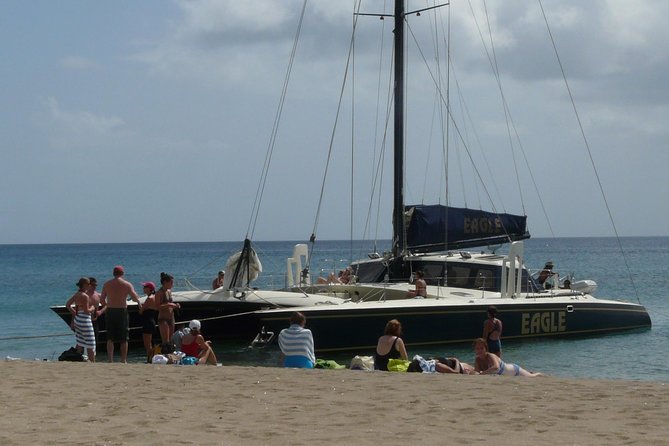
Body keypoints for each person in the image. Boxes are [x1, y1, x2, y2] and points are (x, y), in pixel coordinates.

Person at [99, 265, 141, 363]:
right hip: (122, 310)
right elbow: (135, 298)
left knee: (110, 337)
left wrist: (108, 305)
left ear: (113, 273)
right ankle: (123, 360)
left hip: (110, 310)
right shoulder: (127, 284)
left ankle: (110, 359)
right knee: (124, 337)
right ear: (122, 273)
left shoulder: (107, 284)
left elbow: (102, 300)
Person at [473, 338, 542, 377]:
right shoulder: (477, 359)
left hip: (514, 370)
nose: (480, 350)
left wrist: (483, 373)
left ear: (486, 349)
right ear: (475, 350)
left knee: (532, 377)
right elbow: (477, 371)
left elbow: (496, 367)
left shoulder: (490, 356)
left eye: (482, 348)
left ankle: (539, 374)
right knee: (528, 375)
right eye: (477, 349)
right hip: (508, 374)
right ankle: (529, 372)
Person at [65, 277, 96, 362]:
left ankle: (78, 359)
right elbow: (86, 311)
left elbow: (67, 305)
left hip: (78, 319)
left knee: (80, 341)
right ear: (85, 285)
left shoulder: (77, 294)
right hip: (84, 320)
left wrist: (75, 313)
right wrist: (92, 308)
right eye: (89, 284)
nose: (90, 286)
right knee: (91, 343)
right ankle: (93, 363)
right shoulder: (85, 296)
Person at [156, 272, 180, 344]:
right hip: (163, 319)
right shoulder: (159, 293)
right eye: (171, 282)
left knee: (170, 340)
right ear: (165, 282)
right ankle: (165, 353)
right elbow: (157, 307)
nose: (172, 284)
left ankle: (170, 354)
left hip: (171, 318)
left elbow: (170, 303)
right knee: (165, 341)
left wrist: (176, 306)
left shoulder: (169, 291)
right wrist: (169, 305)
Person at [140, 281, 158, 363]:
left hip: (147, 322)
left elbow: (141, 311)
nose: (143, 288)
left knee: (147, 344)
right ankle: (152, 358)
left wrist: (138, 302)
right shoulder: (155, 297)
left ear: (149, 289)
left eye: (145, 287)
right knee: (151, 342)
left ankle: (150, 359)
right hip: (151, 321)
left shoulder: (149, 298)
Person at [86, 277, 102, 341]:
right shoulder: (84, 295)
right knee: (82, 342)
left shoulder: (98, 295)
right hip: (85, 321)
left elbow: (106, 305)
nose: (95, 287)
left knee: (95, 341)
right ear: (88, 285)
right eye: (93, 285)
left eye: (96, 285)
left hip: (94, 321)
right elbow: (77, 308)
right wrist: (73, 322)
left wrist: (101, 311)